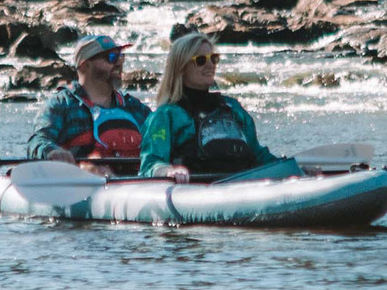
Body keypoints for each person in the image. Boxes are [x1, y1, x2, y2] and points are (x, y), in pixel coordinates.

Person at [140, 32, 278, 182]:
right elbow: (151, 162)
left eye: (213, 58)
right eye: (201, 60)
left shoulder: (232, 108)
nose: (210, 65)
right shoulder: (165, 116)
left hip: (241, 187)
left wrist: (290, 168)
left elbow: (258, 155)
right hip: (194, 190)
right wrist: (167, 171)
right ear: (181, 67)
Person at [27, 34, 151, 171]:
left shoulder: (134, 107)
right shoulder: (62, 104)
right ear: (85, 65)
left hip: (132, 181)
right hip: (79, 180)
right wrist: (51, 152)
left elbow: (161, 136)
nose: (119, 63)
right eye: (111, 57)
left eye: (120, 56)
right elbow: (38, 140)